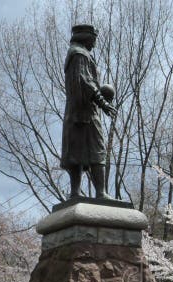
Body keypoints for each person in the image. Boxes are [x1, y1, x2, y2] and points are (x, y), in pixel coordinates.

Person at [60, 24, 117, 200]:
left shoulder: (76, 54)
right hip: (86, 114)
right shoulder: (80, 54)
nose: (94, 43)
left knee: (76, 152)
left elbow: (85, 82)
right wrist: (102, 102)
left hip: (76, 113)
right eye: (93, 38)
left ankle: (76, 192)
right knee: (96, 150)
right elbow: (85, 81)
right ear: (85, 37)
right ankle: (100, 192)